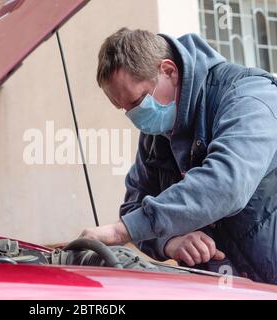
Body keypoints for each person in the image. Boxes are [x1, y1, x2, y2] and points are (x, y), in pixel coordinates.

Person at [79, 28, 277, 284]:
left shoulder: (250, 97)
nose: (134, 117)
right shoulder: (156, 135)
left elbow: (226, 184)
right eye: (124, 109)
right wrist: (169, 241)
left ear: (169, 71)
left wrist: (122, 231)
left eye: (138, 101)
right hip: (224, 286)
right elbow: (134, 205)